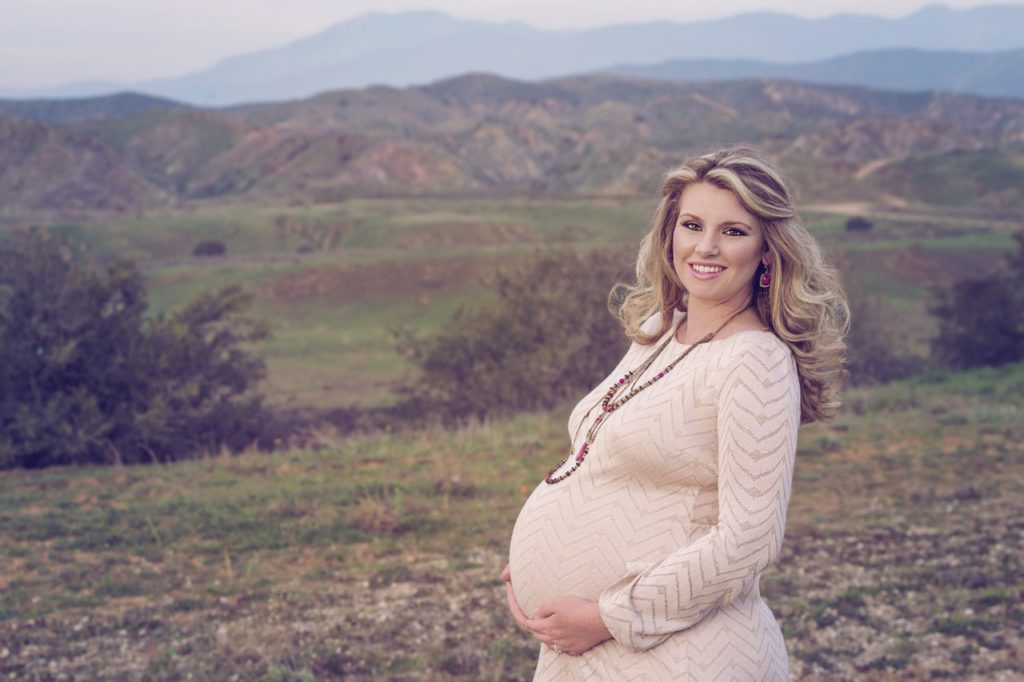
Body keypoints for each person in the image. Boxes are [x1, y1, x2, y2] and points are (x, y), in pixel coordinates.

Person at [502, 145, 849, 680]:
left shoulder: (755, 360)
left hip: (679, 656)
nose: (705, 247)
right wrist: (538, 565)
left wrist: (606, 615)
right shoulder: (660, 332)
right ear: (670, 234)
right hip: (593, 651)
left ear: (767, 251)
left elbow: (749, 539)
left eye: (734, 231)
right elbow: (608, 463)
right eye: (692, 225)